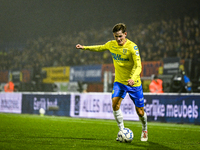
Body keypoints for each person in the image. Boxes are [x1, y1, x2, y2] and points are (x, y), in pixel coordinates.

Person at [76, 23, 148, 141]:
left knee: (140, 112)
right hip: (119, 82)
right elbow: (99, 47)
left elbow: (139, 66)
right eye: (116, 36)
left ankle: (144, 129)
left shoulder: (132, 47)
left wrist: (133, 78)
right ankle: (122, 130)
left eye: (120, 36)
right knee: (114, 104)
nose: (118, 39)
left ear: (125, 34)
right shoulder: (111, 44)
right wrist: (84, 47)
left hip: (133, 83)